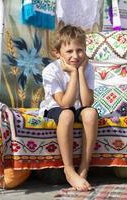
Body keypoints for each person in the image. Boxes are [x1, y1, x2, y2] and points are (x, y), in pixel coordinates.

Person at [40, 25, 98, 191]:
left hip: (78, 106)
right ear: (58, 53)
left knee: (91, 114)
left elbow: (87, 102)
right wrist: (72, 74)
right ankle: (69, 169)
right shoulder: (51, 70)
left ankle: (84, 167)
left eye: (80, 50)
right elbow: (64, 103)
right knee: (67, 115)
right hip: (56, 108)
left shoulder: (88, 68)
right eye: (69, 51)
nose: (75, 55)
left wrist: (79, 72)